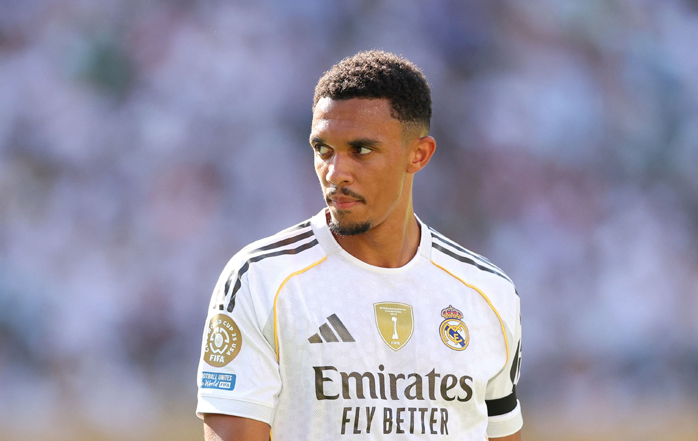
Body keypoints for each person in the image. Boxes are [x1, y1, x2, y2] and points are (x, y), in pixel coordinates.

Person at [196, 50, 523, 440]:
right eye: (323, 150)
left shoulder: (487, 292)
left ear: (418, 154)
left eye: (361, 150)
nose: (336, 173)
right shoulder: (262, 280)